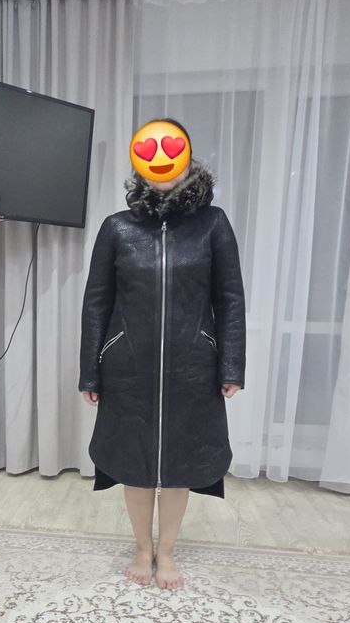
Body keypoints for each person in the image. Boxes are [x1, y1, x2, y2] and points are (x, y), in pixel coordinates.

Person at [78, 117, 246, 589]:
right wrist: (90, 370)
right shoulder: (117, 228)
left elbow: (230, 299)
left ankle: (166, 553)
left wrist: (231, 364)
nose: (161, 162)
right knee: (134, 463)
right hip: (127, 367)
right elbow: (96, 303)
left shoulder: (213, 224)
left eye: (171, 152)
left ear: (188, 160)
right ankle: (142, 549)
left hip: (193, 367)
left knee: (178, 465)